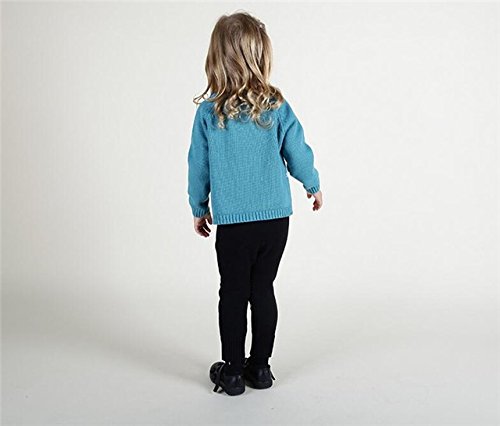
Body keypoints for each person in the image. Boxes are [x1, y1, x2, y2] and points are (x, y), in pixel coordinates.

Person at [187, 11, 323, 396]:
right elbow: (297, 149)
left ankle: (232, 373)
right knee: (263, 288)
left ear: (217, 58)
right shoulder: (276, 105)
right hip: (276, 220)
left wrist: (199, 207)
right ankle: (260, 368)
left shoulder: (209, 113)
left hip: (234, 223)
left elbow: (198, 165)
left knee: (233, 292)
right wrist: (312, 184)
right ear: (261, 55)